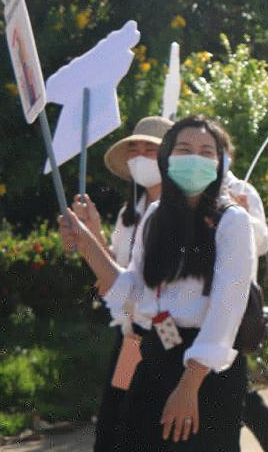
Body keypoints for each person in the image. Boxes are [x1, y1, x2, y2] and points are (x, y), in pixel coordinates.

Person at [60, 116, 257, 451]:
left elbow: (226, 311)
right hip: (146, 344)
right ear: (170, 158)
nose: (194, 159)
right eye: (184, 150)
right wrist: (85, 240)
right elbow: (133, 288)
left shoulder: (232, 219)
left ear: (220, 162)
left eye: (206, 152)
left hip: (202, 367)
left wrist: (188, 386)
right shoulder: (150, 214)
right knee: (117, 425)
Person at [81, 116, 172, 451]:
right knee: (113, 421)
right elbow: (116, 274)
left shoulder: (182, 213)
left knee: (156, 423)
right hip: (132, 335)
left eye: (150, 150)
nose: (140, 157)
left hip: (168, 333)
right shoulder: (128, 214)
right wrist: (92, 232)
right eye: (134, 149)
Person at [219, 130, 268, 452]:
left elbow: (262, 243)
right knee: (236, 393)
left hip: (237, 307)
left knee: (237, 392)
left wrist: (241, 214)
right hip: (202, 306)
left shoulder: (242, 190)